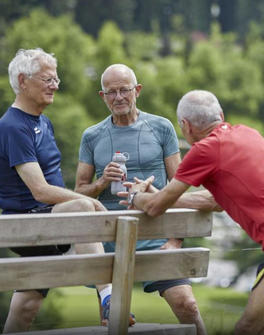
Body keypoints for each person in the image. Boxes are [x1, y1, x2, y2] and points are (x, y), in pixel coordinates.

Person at [124, 90, 264, 335]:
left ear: (185, 126)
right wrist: (162, 198)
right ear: (220, 115)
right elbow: (217, 201)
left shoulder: (203, 150)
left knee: (248, 328)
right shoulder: (247, 133)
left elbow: (155, 207)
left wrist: (136, 196)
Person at [74, 64, 207, 334]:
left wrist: (174, 241)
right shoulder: (92, 136)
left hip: (156, 234)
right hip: (109, 237)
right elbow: (78, 192)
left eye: (124, 90)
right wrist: (101, 182)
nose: (119, 97)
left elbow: (178, 185)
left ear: (137, 91)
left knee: (187, 305)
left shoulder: (161, 127)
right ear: (102, 96)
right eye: (111, 92)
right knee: (113, 322)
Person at [0, 48, 114, 333]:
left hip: (49, 221)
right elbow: (40, 191)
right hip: (29, 223)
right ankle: (109, 297)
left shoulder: (43, 122)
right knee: (83, 208)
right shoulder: (13, 126)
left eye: (56, 79)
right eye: (48, 79)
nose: (55, 85)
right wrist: (88, 201)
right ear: (23, 81)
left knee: (26, 308)